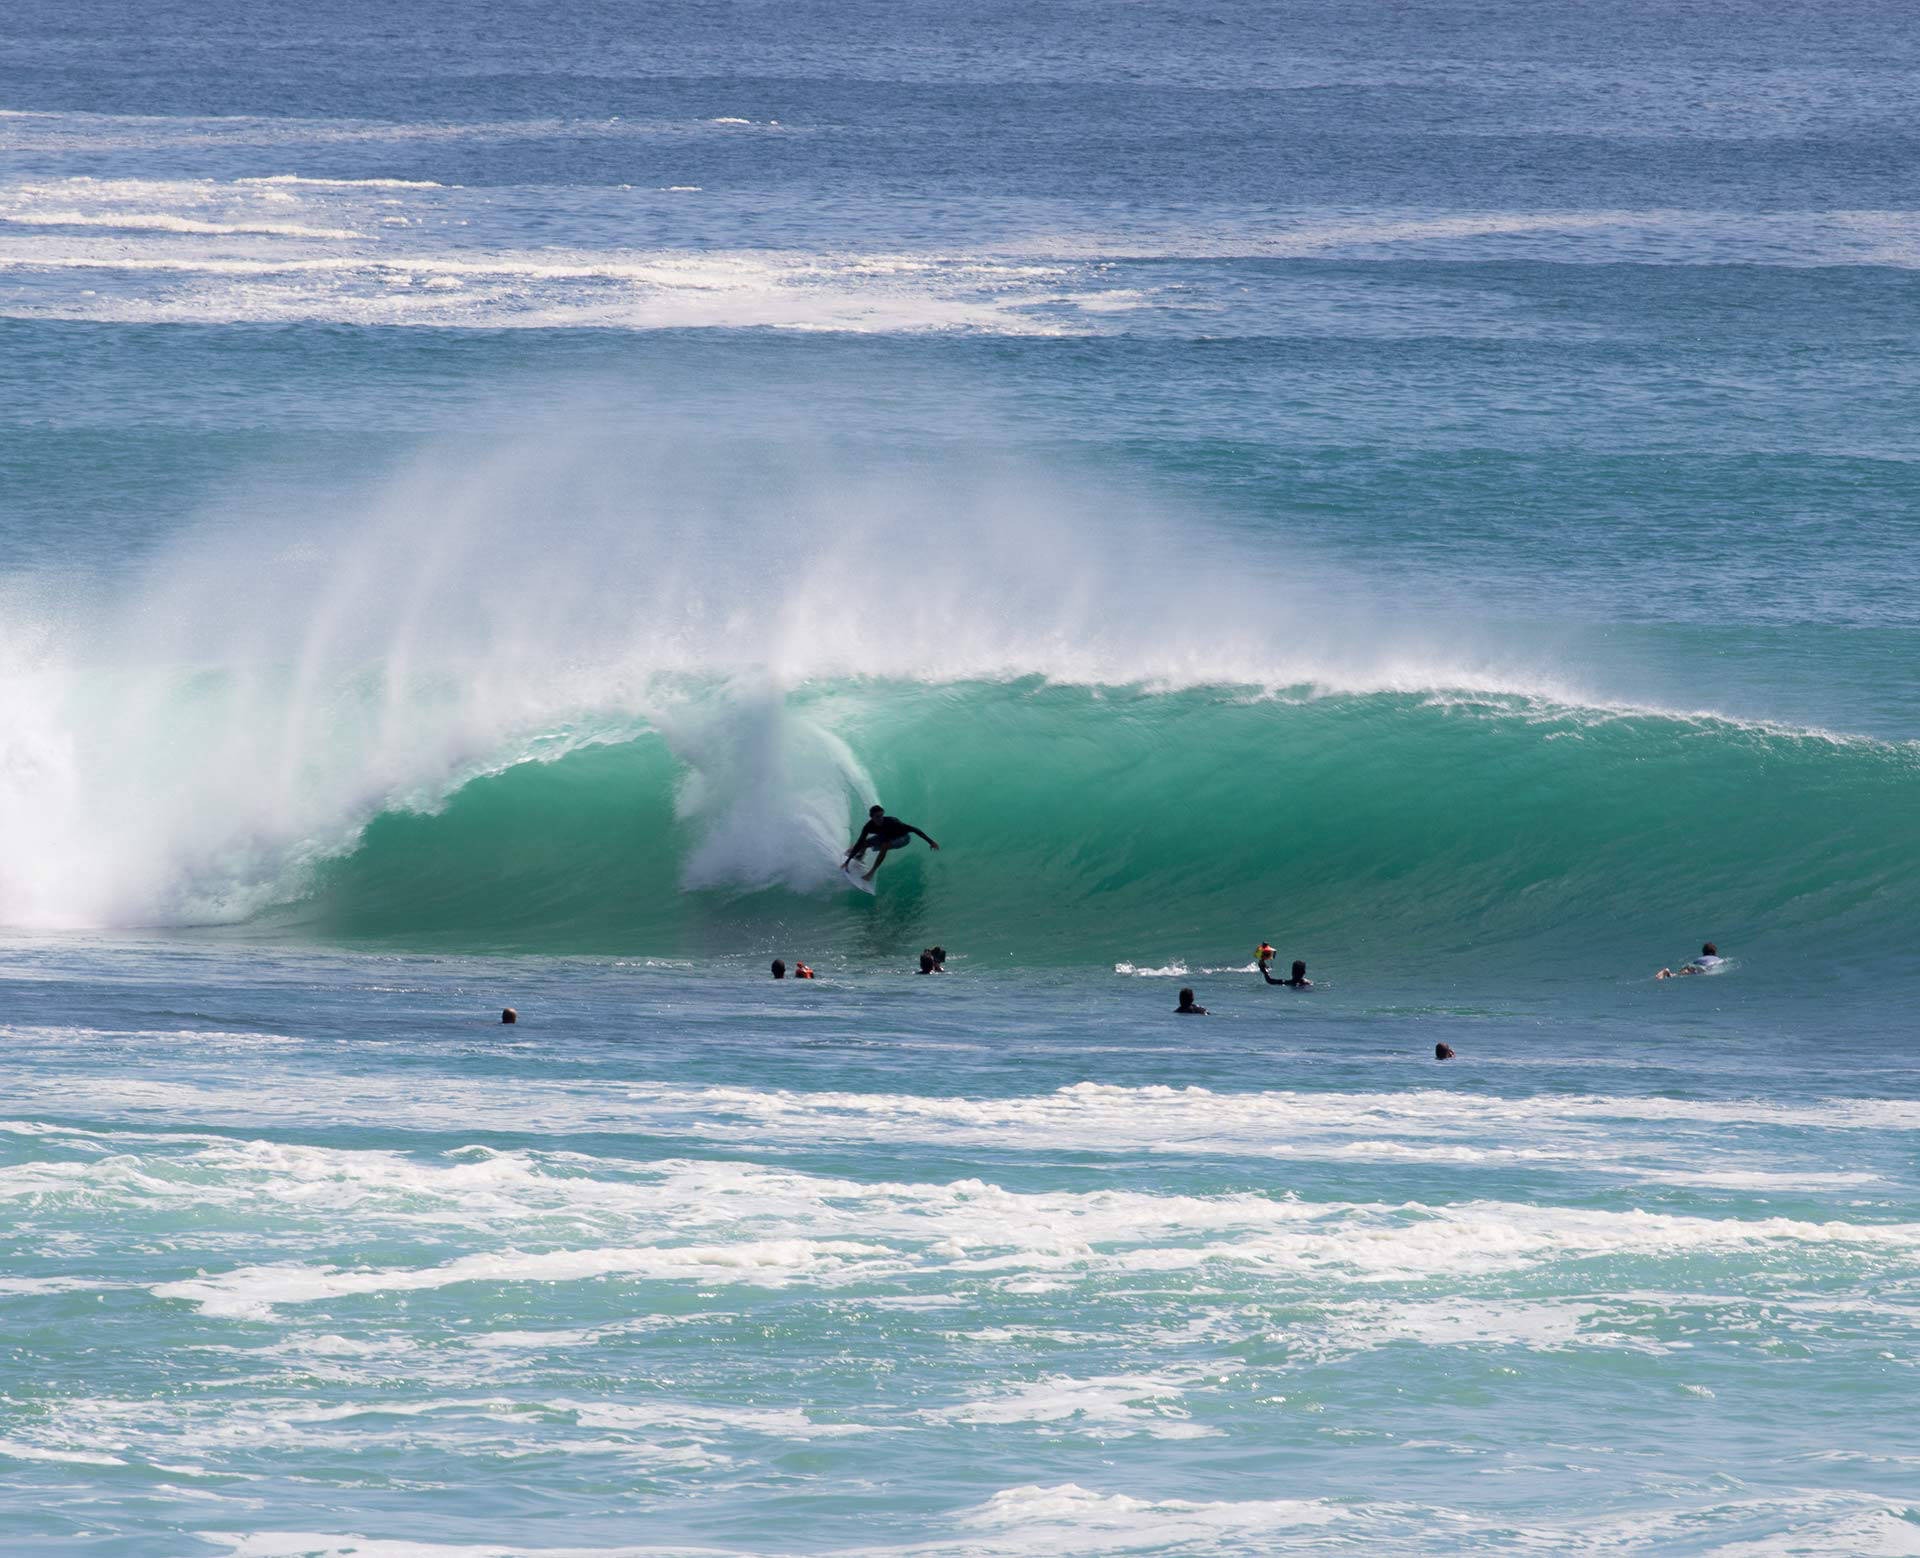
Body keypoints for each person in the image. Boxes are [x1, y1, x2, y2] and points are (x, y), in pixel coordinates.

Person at [844, 804, 940, 882]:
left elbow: (914, 829)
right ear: (871, 817)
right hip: (886, 836)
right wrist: (847, 862)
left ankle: (871, 873)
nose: (880, 818)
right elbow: (860, 841)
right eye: (877, 817)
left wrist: (931, 842)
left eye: (881, 815)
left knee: (884, 845)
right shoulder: (868, 826)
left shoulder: (893, 822)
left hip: (903, 838)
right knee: (864, 843)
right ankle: (860, 856)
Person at [1656, 942, 1725, 979]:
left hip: (1694, 966)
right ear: (1715, 952)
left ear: (1703, 952)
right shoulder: (1719, 960)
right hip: (1705, 968)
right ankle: (1670, 974)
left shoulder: (1699, 959)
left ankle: (1669, 973)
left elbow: (1692, 965)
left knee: (1685, 972)